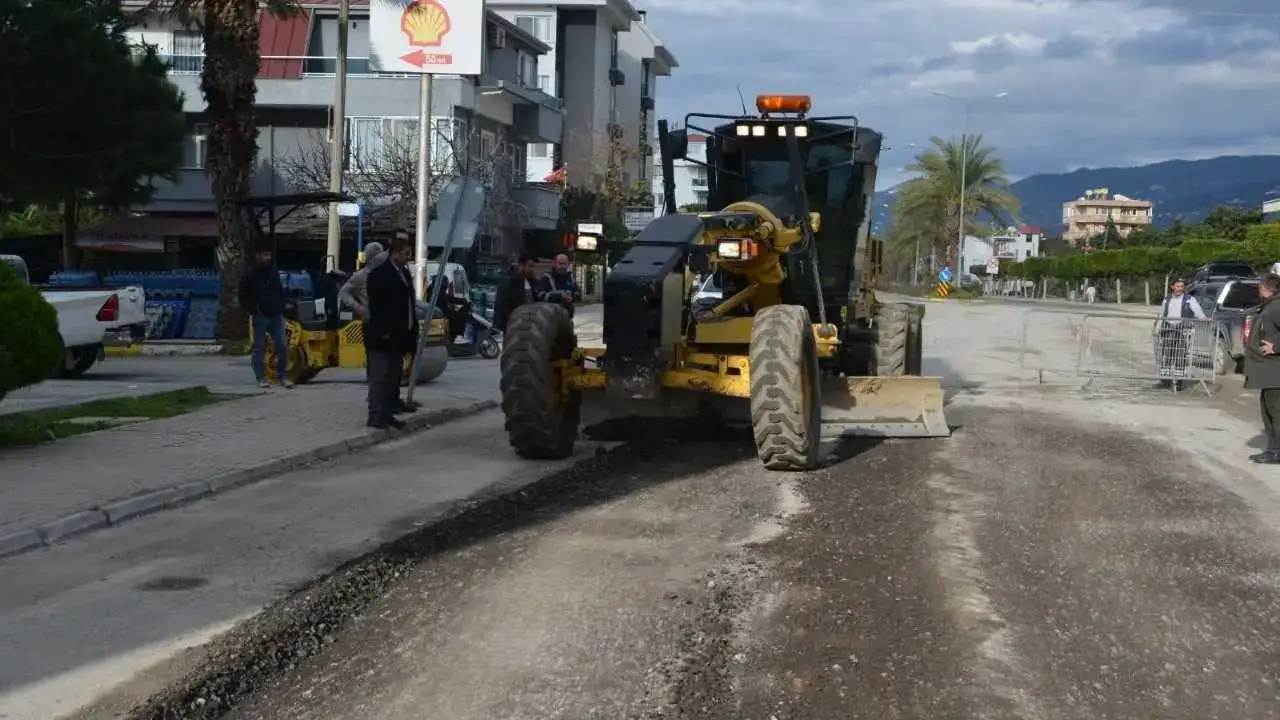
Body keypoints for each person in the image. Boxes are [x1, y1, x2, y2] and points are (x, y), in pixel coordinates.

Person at [365, 236, 419, 429]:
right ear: (394, 254)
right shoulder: (380, 274)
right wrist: (384, 332)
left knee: (392, 377)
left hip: (399, 336)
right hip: (383, 336)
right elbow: (377, 307)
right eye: (405, 254)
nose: (408, 258)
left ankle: (387, 413)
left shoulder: (403, 273)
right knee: (379, 378)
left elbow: (408, 304)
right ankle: (375, 415)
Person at [238, 247, 292, 389]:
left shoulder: (273, 272)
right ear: (258, 256)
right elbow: (243, 296)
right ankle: (261, 377)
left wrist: (283, 304)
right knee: (259, 348)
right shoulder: (250, 275)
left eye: (269, 254)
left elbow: (279, 289)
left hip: (276, 314)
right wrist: (254, 310)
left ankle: (282, 376)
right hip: (260, 316)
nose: (268, 257)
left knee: (283, 346)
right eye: (265, 254)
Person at [1245, 274, 1280, 463]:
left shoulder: (1276, 307)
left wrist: (1276, 347)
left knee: (1276, 413)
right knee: (1269, 412)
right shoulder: (1270, 306)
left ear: (1267, 288)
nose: (1258, 289)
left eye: (1260, 286)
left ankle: (1276, 452)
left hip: (1275, 371)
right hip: (1268, 372)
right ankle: (1273, 449)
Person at [1156, 278, 1206, 391]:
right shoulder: (1167, 299)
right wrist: (1158, 329)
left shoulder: (1189, 299)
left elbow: (1197, 310)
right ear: (1173, 287)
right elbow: (1162, 314)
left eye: (1182, 286)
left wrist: (1203, 318)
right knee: (1167, 355)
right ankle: (1165, 380)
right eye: (1178, 286)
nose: (1180, 289)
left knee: (1180, 355)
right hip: (1168, 329)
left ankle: (1178, 382)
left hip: (1182, 330)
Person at [493, 251, 542, 333]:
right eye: (530, 266)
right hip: (512, 327)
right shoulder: (509, 282)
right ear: (521, 265)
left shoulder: (534, 283)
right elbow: (500, 306)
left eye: (533, 267)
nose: (532, 270)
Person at [337, 241, 386, 319]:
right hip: (371, 320)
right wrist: (358, 307)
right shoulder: (360, 276)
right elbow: (343, 293)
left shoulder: (386, 274)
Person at [538, 253, 580, 317]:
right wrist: (559, 297)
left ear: (568, 264)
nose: (562, 267)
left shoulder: (570, 277)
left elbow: (578, 293)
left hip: (567, 315)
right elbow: (540, 295)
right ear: (555, 264)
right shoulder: (547, 277)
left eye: (564, 264)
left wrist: (572, 297)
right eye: (560, 264)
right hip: (550, 315)